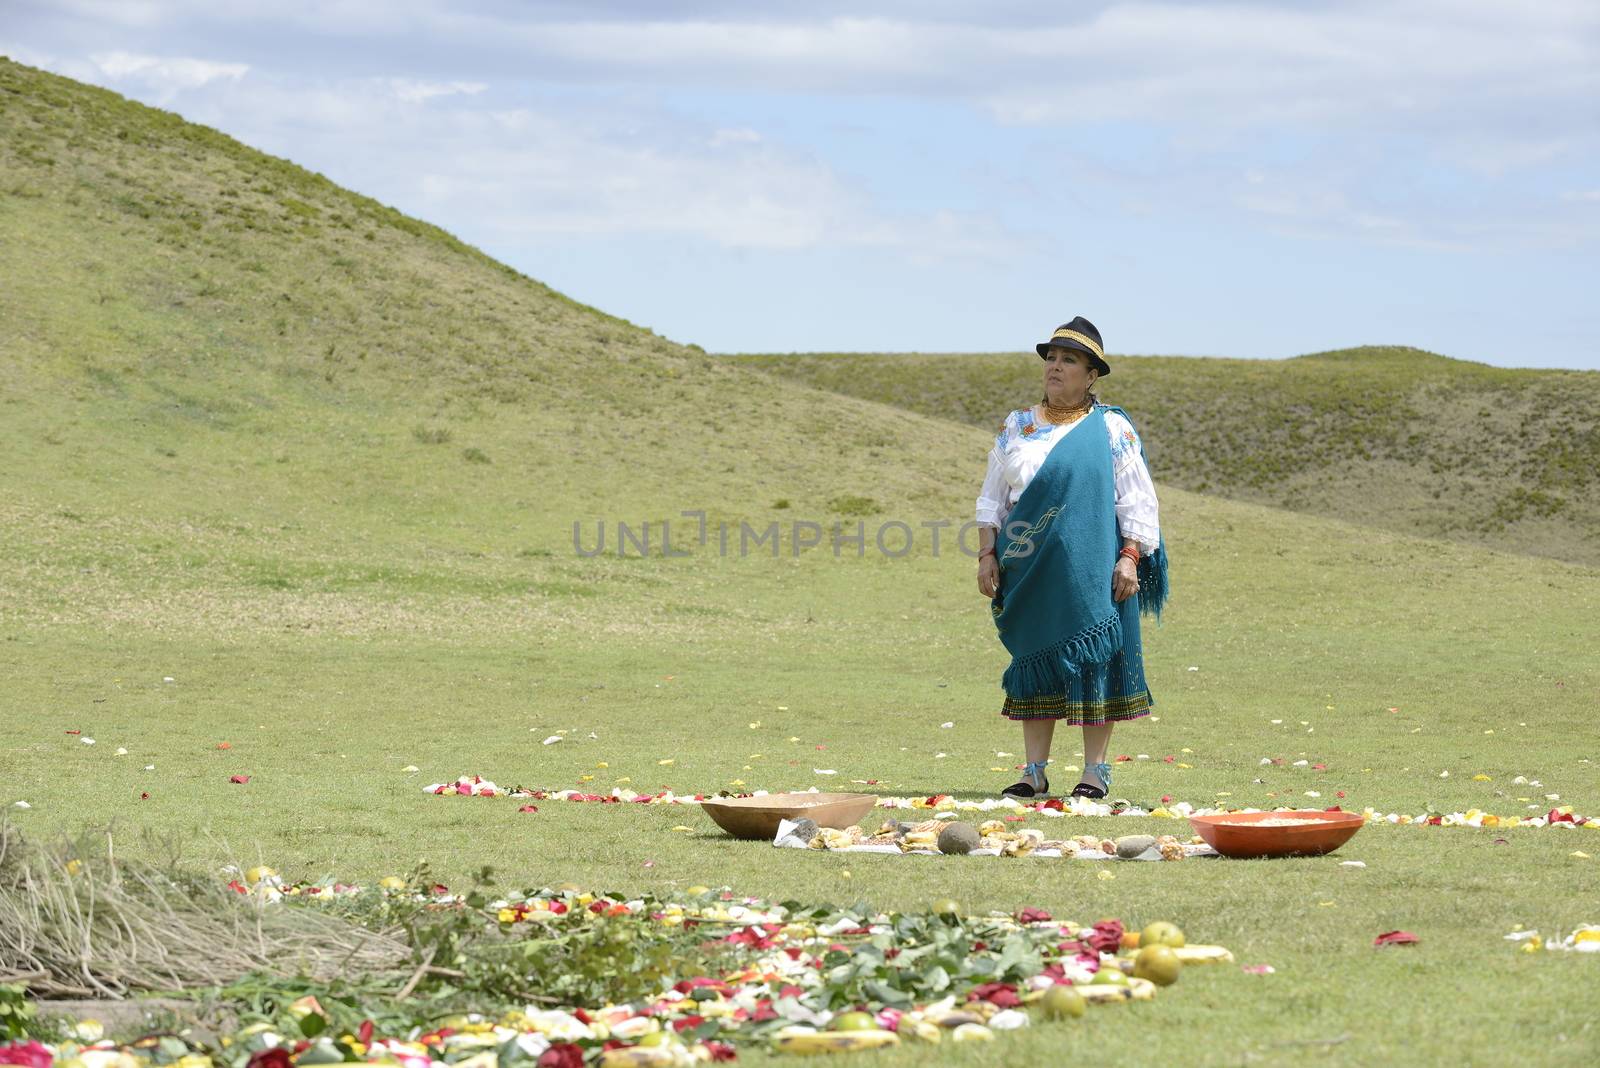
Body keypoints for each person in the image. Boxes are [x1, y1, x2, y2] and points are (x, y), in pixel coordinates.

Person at [974, 317, 1169, 800]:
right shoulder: (1017, 425)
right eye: (1052, 359)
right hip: (1027, 568)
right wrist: (985, 554)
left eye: (1069, 361)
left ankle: (1094, 772)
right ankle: (1033, 771)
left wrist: (1130, 557)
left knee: (1091, 660)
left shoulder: (1110, 428)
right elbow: (991, 499)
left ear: (1091, 375)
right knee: (1034, 658)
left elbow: (1138, 500)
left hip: (1091, 568)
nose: (1055, 367)